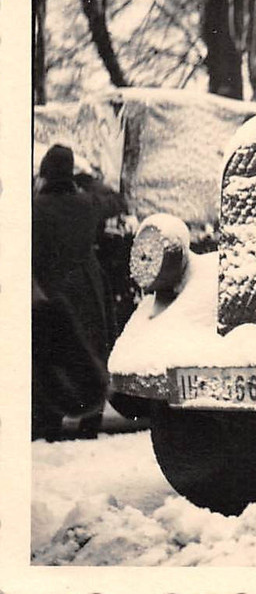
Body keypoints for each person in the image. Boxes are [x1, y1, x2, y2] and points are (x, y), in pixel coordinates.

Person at [32, 144, 111, 440]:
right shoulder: (87, 203)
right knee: (91, 348)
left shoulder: (36, 208)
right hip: (88, 286)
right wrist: (88, 180)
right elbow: (112, 199)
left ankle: (48, 421)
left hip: (52, 287)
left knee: (54, 349)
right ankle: (91, 419)